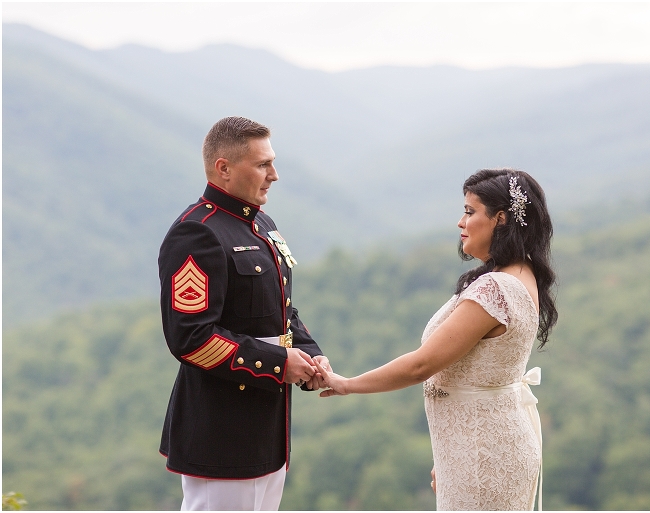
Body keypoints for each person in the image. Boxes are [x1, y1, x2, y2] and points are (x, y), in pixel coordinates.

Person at [317, 168, 557, 511]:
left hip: (483, 453)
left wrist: (347, 384)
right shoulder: (521, 272)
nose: (461, 222)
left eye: (470, 212)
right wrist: (451, 454)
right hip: (483, 444)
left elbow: (422, 365)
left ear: (501, 219)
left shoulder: (496, 289)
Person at [158, 116, 331, 511]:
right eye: (262, 165)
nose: (275, 175)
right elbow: (190, 337)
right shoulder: (197, 232)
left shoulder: (261, 224)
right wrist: (276, 364)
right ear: (224, 168)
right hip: (222, 430)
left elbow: (280, 309)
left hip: (268, 425)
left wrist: (308, 354)